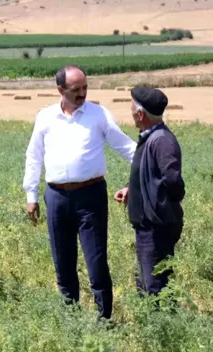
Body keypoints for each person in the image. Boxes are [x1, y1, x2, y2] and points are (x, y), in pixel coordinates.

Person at [22, 65, 136, 320]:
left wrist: (146, 163)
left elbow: (126, 147)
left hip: (91, 196)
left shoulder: (99, 115)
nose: (82, 93)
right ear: (60, 90)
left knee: (96, 263)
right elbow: (33, 156)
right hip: (56, 198)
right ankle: (71, 320)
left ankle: (104, 319)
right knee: (63, 263)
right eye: (76, 89)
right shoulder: (46, 117)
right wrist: (31, 195)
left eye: (85, 88)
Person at [114, 86, 185, 298]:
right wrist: (131, 189)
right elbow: (149, 173)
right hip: (148, 225)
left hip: (156, 226)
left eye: (131, 109)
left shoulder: (161, 140)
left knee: (155, 285)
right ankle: (153, 322)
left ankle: (164, 326)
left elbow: (173, 181)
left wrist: (162, 204)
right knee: (145, 280)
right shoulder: (150, 136)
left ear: (140, 114)